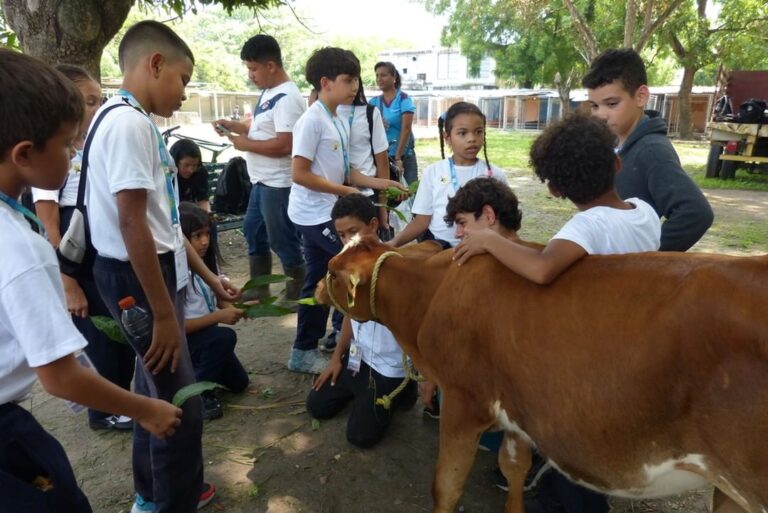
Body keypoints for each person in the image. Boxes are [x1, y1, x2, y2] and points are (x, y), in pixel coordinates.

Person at [0, 47, 181, 513]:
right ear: (24, 154)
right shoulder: (21, 249)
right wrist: (148, 409)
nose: (75, 151)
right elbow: (60, 377)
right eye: (67, 144)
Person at [454, 112, 662, 513]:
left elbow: (542, 268)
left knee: (576, 457)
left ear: (552, 188)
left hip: (594, 362)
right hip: (635, 344)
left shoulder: (584, 228)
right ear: (616, 164)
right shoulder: (645, 212)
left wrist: (489, 242)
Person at [85, 21, 239, 513]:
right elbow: (132, 225)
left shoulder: (131, 119)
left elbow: (164, 225)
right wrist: (167, 316)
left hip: (149, 270)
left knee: (152, 387)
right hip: (138, 279)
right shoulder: (128, 124)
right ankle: (176, 500)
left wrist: (210, 277)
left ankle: (152, 492)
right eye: (184, 77)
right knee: (180, 404)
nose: (186, 91)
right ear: (155, 64)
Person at [30, 64, 136, 433]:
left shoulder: (91, 146)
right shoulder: (53, 157)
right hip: (77, 263)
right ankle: (103, 411)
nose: (97, 108)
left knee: (118, 331)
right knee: (97, 339)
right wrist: (69, 281)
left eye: (99, 99)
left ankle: (121, 398)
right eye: (89, 101)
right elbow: (50, 223)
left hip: (101, 258)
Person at [306, 194, 417, 447]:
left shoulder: (396, 266)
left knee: (360, 437)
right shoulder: (348, 264)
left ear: (374, 226)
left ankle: (403, 391)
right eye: (341, 235)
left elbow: (412, 329)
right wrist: (336, 359)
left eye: (353, 232)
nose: (347, 241)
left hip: (388, 368)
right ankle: (362, 392)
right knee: (317, 405)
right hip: (358, 358)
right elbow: (350, 315)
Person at [582, 47, 713, 252]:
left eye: (612, 103)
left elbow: (696, 213)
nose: (601, 115)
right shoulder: (614, 144)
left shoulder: (651, 150)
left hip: (630, 272)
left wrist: (649, 259)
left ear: (641, 96)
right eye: (595, 106)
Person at [286, 47, 368, 374]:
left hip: (327, 212)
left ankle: (307, 349)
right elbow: (299, 174)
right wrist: (346, 191)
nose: (354, 87)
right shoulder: (311, 121)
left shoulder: (336, 119)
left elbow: (346, 172)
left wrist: (382, 184)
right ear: (325, 82)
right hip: (313, 215)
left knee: (320, 277)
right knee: (355, 269)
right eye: (348, 80)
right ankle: (345, 342)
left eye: (356, 80)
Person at [213, 34, 306, 303]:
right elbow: (262, 130)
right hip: (261, 180)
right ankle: (259, 287)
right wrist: (237, 128)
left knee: (282, 239)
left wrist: (245, 145)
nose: (251, 75)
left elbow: (285, 144)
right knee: (253, 230)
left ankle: (297, 289)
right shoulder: (268, 93)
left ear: (270, 66)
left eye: (253, 69)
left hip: (278, 182)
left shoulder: (288, 97)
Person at [390, 101, 508, 249]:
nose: (472, 139)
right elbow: (422, 221)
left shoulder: (495, 175)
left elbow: (504, 223)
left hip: (482, 251)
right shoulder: (433, 172)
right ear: (447, 138)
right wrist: (394, 243)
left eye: (478, 131)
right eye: (463, 133)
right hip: (438, 249)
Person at [179, 202, 249, 421]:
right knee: (224, 337)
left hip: (207, 338)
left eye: (207, 234)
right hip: (186, 341)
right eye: (197, 236)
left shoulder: (206, 266)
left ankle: (200, 375)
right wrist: (219, 317)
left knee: (240, 383)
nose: (205, 241)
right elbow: (177, 326)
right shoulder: (177, 274)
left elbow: (218, 300)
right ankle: (197, 394)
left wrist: (237, 309)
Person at [370, 61, 418, 184]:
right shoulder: (373, 102)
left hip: (403, 156)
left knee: (410, 192)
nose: (379, 79)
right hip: (382, 157)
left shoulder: (403, 99)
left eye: (383, 75)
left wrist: (398, 157)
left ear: (394, 77)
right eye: (377, 75)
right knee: (387, 193)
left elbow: (406, 129)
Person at [170, 138, 210, 211]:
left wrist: (205, 217)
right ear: (175, 162)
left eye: (194, 165)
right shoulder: (167, 175)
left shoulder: (200, 172)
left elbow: (202, 200)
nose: (191, 171)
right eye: (186, 165)